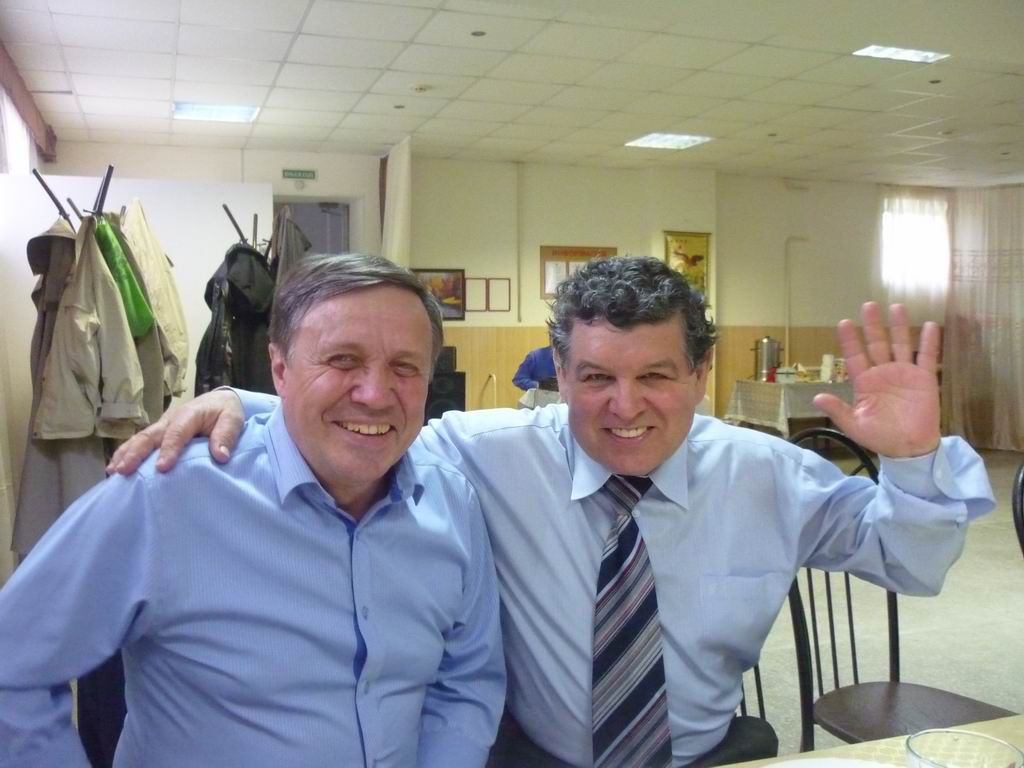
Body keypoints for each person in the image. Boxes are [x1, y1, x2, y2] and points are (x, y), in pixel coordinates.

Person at [109, 256, 994, 768]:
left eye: (656, 376)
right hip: (532, 756)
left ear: (700, 375)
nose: (624, 407)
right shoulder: (488, 452)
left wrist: (913, 460)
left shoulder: (768, 474)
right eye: (596, 377)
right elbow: (367, 421)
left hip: (705, 753)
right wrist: (242, 399)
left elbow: (911, 562)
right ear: (558, 375)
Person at [0, 254, 505, 768]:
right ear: (279, 369)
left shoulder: (452, 503)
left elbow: (466, 680)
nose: (375, 395)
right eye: (342, 360)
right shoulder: (166, 495)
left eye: (405, 367)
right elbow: (12, 668)